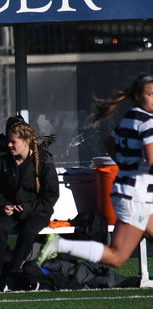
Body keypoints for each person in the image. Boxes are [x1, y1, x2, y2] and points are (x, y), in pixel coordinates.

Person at [37, 73, 153, 269]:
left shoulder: (130, 117)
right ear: (137, 96)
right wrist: (130, 166)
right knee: (117, 257)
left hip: (131, 193)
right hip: (136, 197)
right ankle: (60, 244)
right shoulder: (148, 122)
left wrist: (126, 165)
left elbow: (109, 142)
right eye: (150, 94)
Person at [0, 121, 59, 291]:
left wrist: (27, 208)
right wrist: (3, 205)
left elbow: (50, 195)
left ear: (26, 141)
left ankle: (12, 274)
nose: (9, 145)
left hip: (37, 211)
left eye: (13, 142)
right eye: (8, 142)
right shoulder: (2, 162)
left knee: (29, 230)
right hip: (9, 210)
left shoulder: (43, 161)